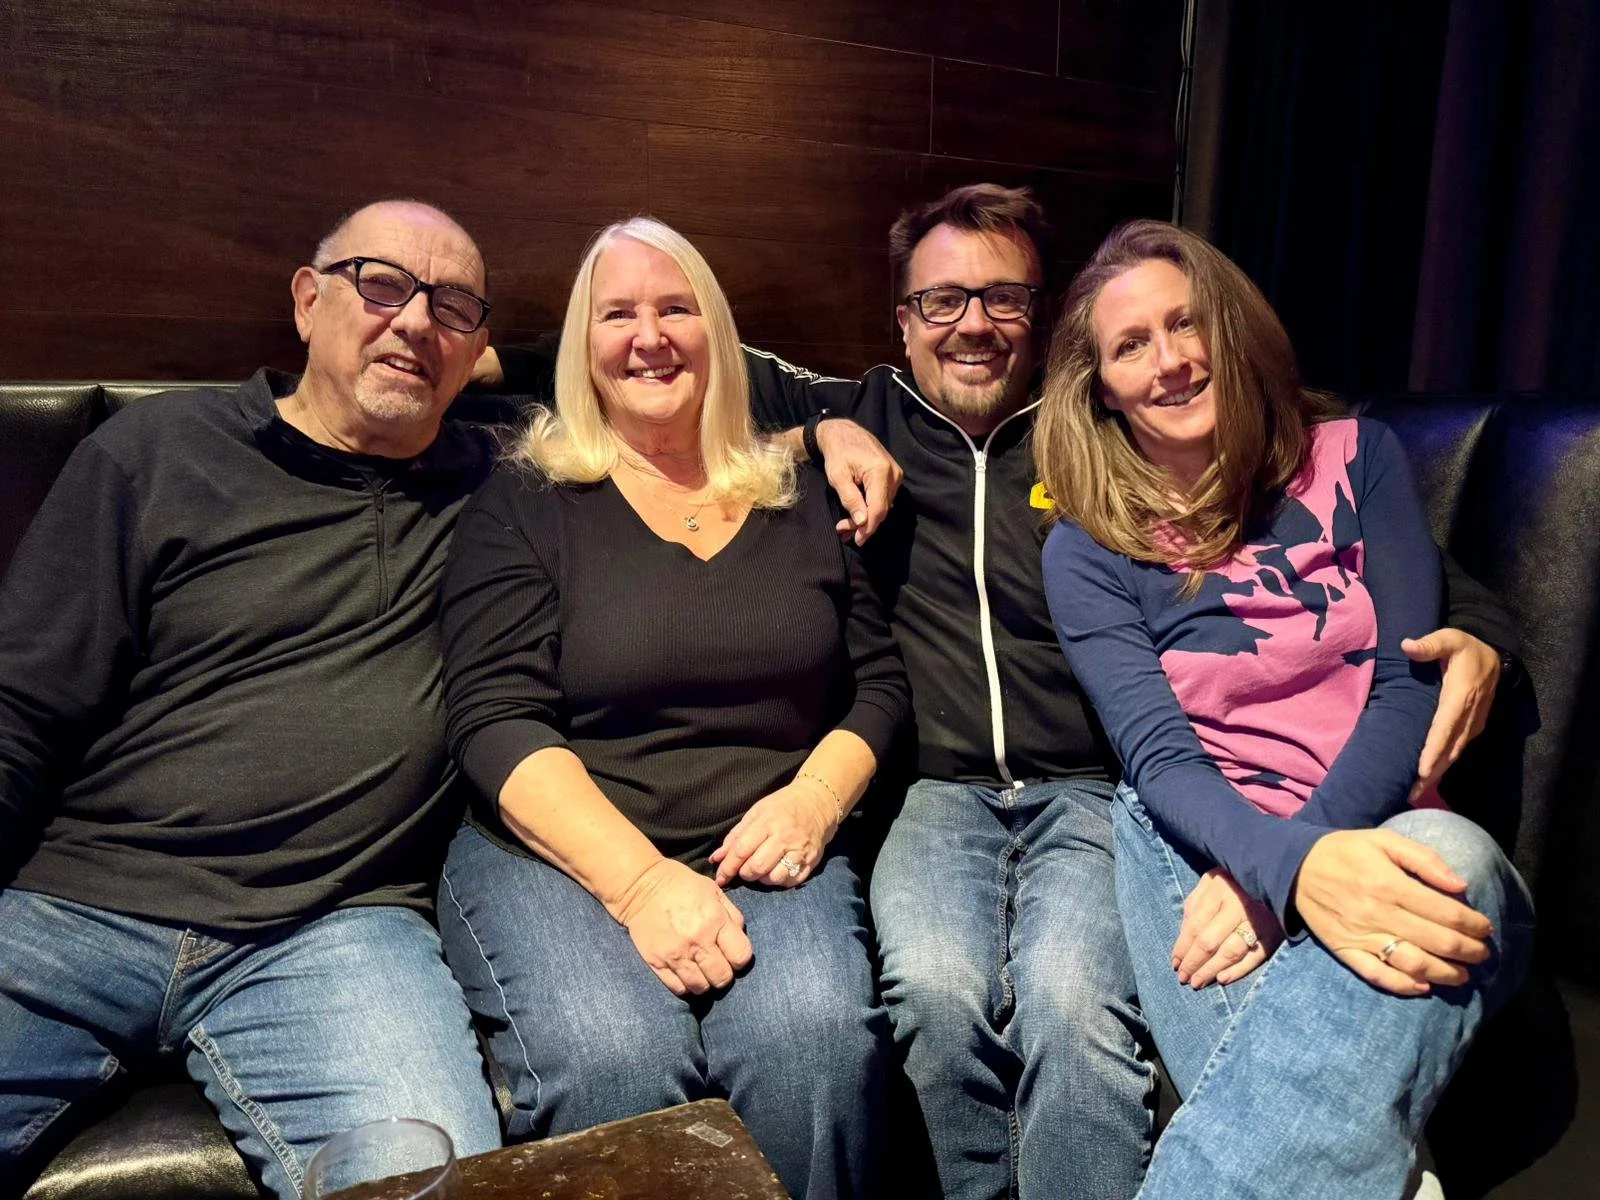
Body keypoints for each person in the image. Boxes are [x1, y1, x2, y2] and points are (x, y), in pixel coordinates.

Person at [480, 183, 1521, 1200]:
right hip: (931, 790)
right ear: (902, 319)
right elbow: (659, 375)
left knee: (1073, 1006)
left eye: (1002, 296)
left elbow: (1328, 544)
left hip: (1082, 783)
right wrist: (814, 435)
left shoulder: (1099, 439)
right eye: (942, 300)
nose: (971, 324)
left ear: (1044, 315)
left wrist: (1480, 624)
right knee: (933, 992)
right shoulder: (862, 414)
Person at [0, 200, 503, 1197]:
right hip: (77, 908)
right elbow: (20, 706)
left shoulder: (501, 476)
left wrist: (825, 435)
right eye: (381, 285)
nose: (412, 321)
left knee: (434, 1186)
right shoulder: (157, 447)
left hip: (335, 930)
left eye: (450, 306)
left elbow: (666, 407)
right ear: (305, 300)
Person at [1034, 219, 1534, 1199]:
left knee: (1459, 862)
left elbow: (1404, 681)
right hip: (1194, 839)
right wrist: (1284, 868)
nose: (1171, 361)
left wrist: (1293, 868)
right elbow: (1160, 761)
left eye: (1186, 326)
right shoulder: (1085, 546)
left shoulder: (1358, 458)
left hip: (1384, 813)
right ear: (1100, 386)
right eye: (1131, 346)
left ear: (1229, 327)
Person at [435, 217, 907, 1200]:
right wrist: (643, 886)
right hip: (558, 857)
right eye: (618, 314)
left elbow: (879, 685)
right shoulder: (525, 495)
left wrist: (815, 801)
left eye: (675, 308)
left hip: (766, 844)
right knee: (618, 1062)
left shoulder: (799, 494)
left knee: (812, 1046)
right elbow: (493, 716)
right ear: (583, 348)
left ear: (717, 335)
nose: (649, 335)